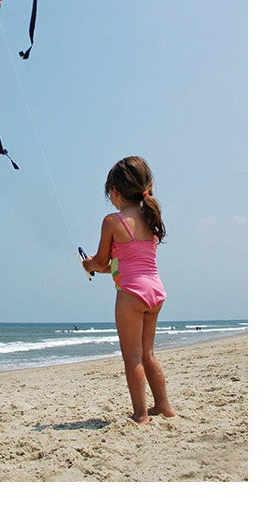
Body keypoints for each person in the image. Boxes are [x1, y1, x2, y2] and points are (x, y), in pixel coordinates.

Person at [81, 157, 175, 424]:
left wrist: (88, 264)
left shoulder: (112, 221)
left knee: (132, 357)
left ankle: (141, 414)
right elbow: (120, 263)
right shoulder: (151, 218)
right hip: (155, 291)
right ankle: (163, 406)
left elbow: (101, 262)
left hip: (131, 294)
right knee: (148, 353)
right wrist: (103, 267)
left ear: (115, 191)